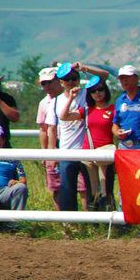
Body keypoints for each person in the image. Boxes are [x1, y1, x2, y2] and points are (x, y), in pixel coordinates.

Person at [46, 62, 109, 211]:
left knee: (92, 188)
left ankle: (95, 221)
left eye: (74, 78)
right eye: (67, 79)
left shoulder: (88, 94)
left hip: (87, 150)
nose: (71, 82)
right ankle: (70, 224)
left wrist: (83, 67)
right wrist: (51, 153)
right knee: (67, 190)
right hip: (66, 151)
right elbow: (52, 129)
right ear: (61, 82)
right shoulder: (55, 102)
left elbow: (104, 76)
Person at [81, 77, 117, 210]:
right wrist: (71, 97)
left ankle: (109, 221)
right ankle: (94, 224)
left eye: (100, 89)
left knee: (106, 190)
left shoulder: (113, 109)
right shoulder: (86, 110)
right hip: (88, 154)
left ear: (105, 90)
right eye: (93, 91)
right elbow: (64, 116)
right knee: (92, 191)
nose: (97, 93)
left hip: (105, 154)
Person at [35, 67, 65, 211]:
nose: (47, 86)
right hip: (53, 146)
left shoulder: (69, 98)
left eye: (50, 82)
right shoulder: (43, 103)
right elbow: (43, 130)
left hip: (70, 144)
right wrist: (45, 153)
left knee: (80, 185)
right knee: (55, 186)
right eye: (44, 83)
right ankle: (62, 221)